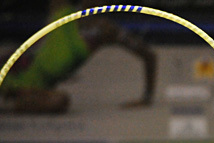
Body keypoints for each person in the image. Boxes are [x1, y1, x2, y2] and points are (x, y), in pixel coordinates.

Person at [0, 0, 156, 113]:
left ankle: (12, 99)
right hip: (13, 67)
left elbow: (149, 55)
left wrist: (146, 98)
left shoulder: (105, 30)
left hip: (36, 90)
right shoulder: (61, 7)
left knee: (60, 101)